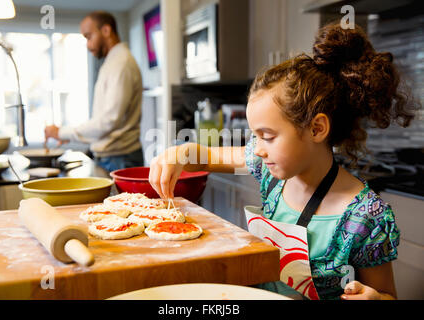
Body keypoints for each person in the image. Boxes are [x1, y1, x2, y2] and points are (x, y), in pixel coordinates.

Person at [148, 22, 417, 300]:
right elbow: (205, 156)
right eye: (255, 137)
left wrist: (375, 298)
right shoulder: (271, 172)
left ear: (316, 129)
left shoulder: (365, 217)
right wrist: (179, 153)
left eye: (267, 136)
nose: (258, 150)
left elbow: (387, 295)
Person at [45, 11, 144, 172]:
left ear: (106, 30)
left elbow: (108, 121)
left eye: (89, 36)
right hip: (113, 157)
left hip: (120, 159)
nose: (88, 44)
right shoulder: (113, 61)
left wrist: (62, 132)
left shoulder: (121, 63)